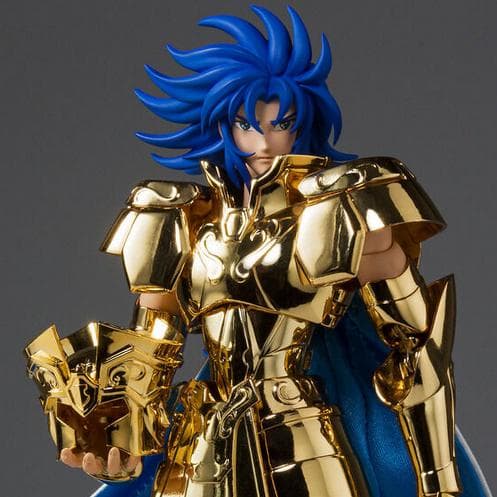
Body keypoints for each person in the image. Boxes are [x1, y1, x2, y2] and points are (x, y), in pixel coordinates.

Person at [25, 6, 492, 497]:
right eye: (247, 124)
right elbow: (145, 368)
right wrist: (115, 447)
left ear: (302, 126)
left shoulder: (340, 212)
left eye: (281, 124)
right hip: (204, 448)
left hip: (303, 438)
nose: (265, 141)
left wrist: (438, 482)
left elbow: (419, 352)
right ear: (223, 128)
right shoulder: (176, 222)